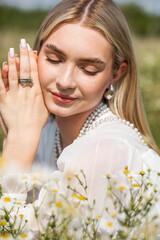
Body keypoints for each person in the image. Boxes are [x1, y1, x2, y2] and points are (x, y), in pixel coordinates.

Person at [0, 0, 160, 232]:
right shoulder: (44, 132)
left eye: (89, 69)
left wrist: (18, 142)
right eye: (54, 59)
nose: (65, 81)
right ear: (35, 54)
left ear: (116, 74)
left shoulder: (105, 151)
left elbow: (11, 231)